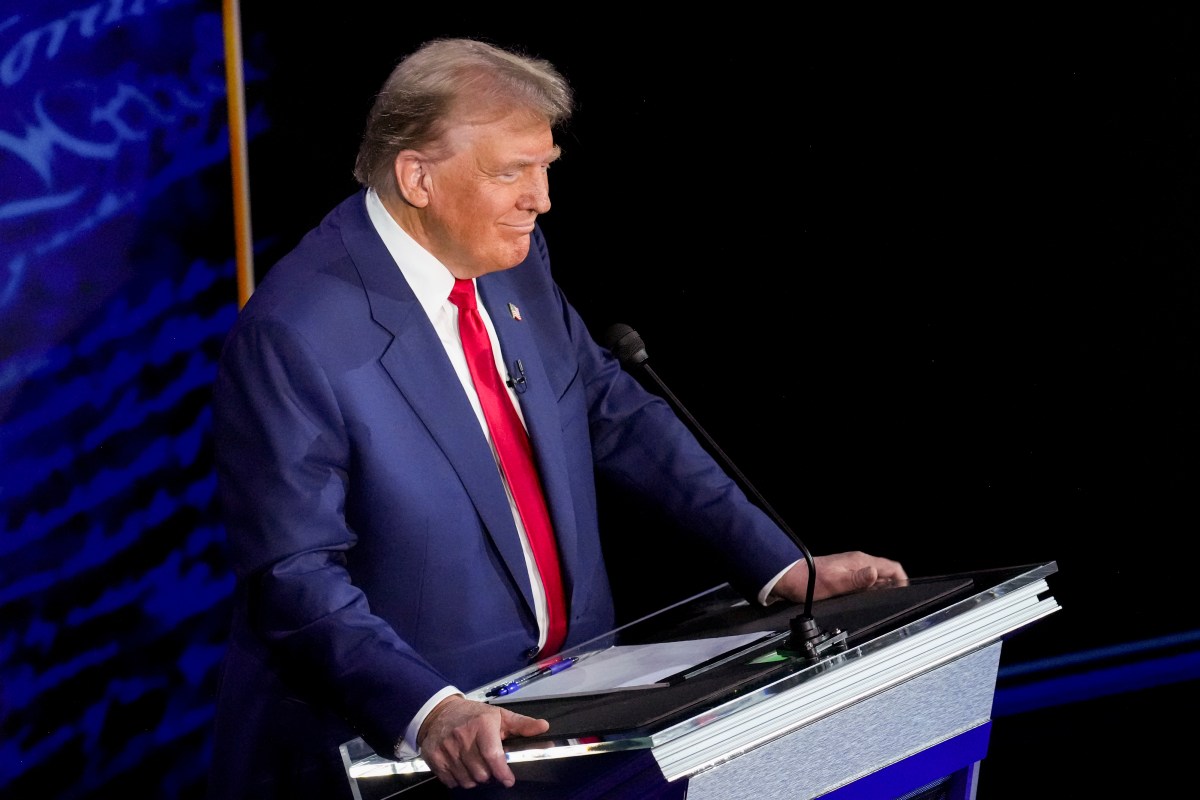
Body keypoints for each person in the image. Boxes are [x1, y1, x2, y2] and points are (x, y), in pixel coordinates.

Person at [205, 36, 907, 799]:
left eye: (545, 169)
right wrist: (430, 709)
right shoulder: (295, 333)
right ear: (417, 177)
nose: (540, 200)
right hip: (398, 759)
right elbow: (292, 570)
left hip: (566, 726)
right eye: (511, 173)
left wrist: (781, 568)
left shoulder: (514, 262)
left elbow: (609, 411)